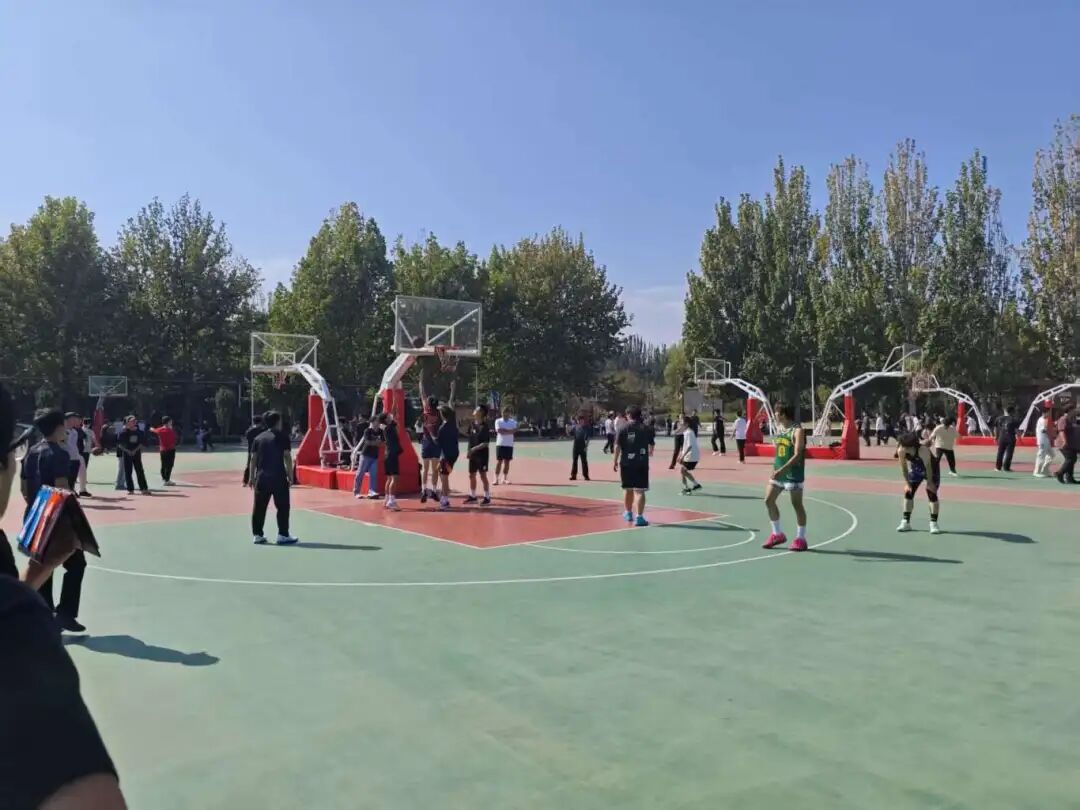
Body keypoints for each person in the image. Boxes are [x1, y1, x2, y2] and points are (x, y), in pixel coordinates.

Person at [22, 409, 92, 633]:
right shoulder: (59, 453)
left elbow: (24, 488)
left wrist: (36, 507)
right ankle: (65, 614)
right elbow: (62, 488)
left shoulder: (31, 451)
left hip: (36, 515)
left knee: (44, 566)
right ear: (58, 427)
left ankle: (45, 614)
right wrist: (74, 521)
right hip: (57, 518)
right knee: (76, 564)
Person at [762, 404, 808, 551]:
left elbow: (798, 454)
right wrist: (775, 468)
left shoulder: (797, 431)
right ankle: (777, 534)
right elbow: (779, 452)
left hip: (793, 473)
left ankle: (801, 538)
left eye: (776, 413)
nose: (774, 415)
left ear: (782, 414)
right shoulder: (780, 429)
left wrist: (782, 470)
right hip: (778, 473)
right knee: (768, 500)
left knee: (797, 505)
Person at [248, 411, 298, 545]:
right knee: (283, 507)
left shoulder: (258, 438)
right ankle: (283, 534)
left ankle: (257, 535)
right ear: (278, 422)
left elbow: (253, 459)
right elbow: (287, 457)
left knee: (259, 507)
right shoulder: (283, 437)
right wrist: (290, 475)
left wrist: (251, 477)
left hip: (262, 477)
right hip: (278, 477)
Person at [613, 406, 653, 526]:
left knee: (628, 488)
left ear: (629, 414)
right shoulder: (646, 428)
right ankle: (639, 517)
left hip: (626, 463)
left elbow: (617, 446)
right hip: (641, 462)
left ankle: (628, 513)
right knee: (639, 491)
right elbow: (651, 445)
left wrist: (615, 461)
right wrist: (648, 452)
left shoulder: (622, 428)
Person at [896, 431, 941, 534]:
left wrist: (930, 483)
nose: (902, 447)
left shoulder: (923, 450)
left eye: (905, 446)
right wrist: (907, 483)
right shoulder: (901, 450)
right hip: (916, 469)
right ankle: (906, 522)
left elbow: (928, 467)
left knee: (932, 493)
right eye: (902, 445)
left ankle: (933, 523)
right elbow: (904, 468)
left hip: (932, 469)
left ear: (912, 446)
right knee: (908, 493)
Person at [465, 404, 492, 505]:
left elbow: (485, 443)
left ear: (481, 413)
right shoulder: (472, 424)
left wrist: (473, 449)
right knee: (471, 475)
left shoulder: (485, 427)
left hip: (482, 455)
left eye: (476, 409)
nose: (474, 410)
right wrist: (469, 451)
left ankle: (487, 497)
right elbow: (469, 438)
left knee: (482, 475)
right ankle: (473, 496)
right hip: (473, 455)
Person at [116, 415, 150, 495]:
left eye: (135, 421)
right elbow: (120, 444)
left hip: (136, 453)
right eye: (132, 421)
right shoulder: (123, 432)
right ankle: (130, 489)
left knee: (140, 471)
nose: (134, 422)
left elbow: (141, 443)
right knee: (128, 471)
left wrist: (134, 450)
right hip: (127, 454)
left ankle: (144, 488)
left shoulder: (139, 432)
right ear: (127, 422)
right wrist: (127, 451)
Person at [436, 405, 460, 510]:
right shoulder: (453, 425)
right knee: (440, 471)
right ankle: (445, 491)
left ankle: (445, 500)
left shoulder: (442, 428)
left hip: (447, 455)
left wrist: (431, 436)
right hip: (454, 454)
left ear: (443, 415)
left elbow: (438, 443)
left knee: (444, 476)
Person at [353, 417, 383, 500]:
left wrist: (375, 443)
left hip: (374, 456)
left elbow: (383, 443)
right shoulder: (367, 431)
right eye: (376, 421)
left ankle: (372, 491)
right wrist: (377, 443)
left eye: (378, 421)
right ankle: (357, 492)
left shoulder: (381, 432)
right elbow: (367, 442)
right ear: (372, 422)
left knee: (373, 474)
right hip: (365, 455)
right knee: (360, 473)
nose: (378, 423)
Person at [381, 411, 402, 511]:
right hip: (392, 455)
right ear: (386, 419)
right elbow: (394, 416)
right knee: (394, 478)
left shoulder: (387, 428)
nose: (391, 416)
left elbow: (395, 417)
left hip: (387, 455)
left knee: (389, 479)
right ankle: (391, 501)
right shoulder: (389, 428)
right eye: (388, 416)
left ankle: (386, 500)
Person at [63, 412, 87, 498]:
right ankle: (68, 492)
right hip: (66, 457)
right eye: (73, 419)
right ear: (67, 420)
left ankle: (74, 489)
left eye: (76, 419)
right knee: (67, 477)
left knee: (73, 476)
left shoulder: (74, 431)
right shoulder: (62, 431)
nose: (76, 421)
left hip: (75, 457)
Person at [150, 416, 178, 486]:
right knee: (170, 465)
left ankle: (164, 478)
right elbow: (174, 439)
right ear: (168, 422)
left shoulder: (160, 430)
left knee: (163, 464)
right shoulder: (170, 430)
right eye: (170, 421)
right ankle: (167, 480)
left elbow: (153, 430)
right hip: (170, 450)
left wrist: (151, 428)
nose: (171, 422)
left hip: (162, 450)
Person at [493, 405, 517, 485]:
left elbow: (514, 430)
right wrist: (509, 431)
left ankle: (504, 478)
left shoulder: (513, 422)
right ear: (502, 413)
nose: (505, 414)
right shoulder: (498, 421)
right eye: (503, 412)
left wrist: (505, 430)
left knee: (507, 462)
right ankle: (496, 479)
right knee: (499, 461)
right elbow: (499, 431)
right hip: (500, 444)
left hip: (509, 444)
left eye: (507, 412)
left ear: (509, 413)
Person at [1055, 405, 1078, 484]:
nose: (1075, 411)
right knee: (1070, 459)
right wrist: (1064, 441)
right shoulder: (1063, 419)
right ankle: (1060, 473)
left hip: (1071, 443)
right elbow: (1061, 431)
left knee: (1072, 459)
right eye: (1074, 410)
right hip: (1064, 443)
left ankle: (1069, 478)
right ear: (1069, 410)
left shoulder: (1071, 419)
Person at [679, 417, 702, 495]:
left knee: (682, 471)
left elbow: (689, 446)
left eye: (682, 422)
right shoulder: (687, 432)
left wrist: (682, 456)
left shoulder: (688, 433)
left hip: (691, 456)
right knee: (683, 471)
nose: (680, 423)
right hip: (690, 455)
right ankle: (688, 488)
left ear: (686, 424)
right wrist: (681, 455)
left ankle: (695, 485)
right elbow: (685, 446)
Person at [1033, 407, 1057, 478]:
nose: (1049, 414)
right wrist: (1053, 430)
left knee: (1052, 455)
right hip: (1042, 441)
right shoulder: (1042, 420)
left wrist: (1052, 425)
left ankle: (1045, 470)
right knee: (1041, 456)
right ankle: (1036, 472)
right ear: (1044, 413)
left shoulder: (1046, 420)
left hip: (1046, 440)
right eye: (1048, 412)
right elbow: (1044, 430)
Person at [995, 405, 1020, 472]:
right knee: (1009, 453)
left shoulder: (998, 418)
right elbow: (1016, 430)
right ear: (1012, 412)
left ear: (1006, 411)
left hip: (1001, 437)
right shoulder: (1014, 420)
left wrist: (996, 437)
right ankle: (1006, 468)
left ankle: (998, 467)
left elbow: (996, 429)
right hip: (1010, 438)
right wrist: (1019, 437)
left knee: (1000, 452)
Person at [241, 414, 264, 486]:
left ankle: (245, 481)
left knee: (248, 465)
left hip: (250, 450)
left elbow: (247, 437)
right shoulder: (263, 430)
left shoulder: (249, 431)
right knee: (260, 465)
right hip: (260, 450)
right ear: (261, 422)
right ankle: (259, 480)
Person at [570, 414, 591, 481]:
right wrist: (567, 429)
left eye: (582, 420)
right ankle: (573, 475)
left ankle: (586, 476)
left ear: (583, 421)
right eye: (579, 420)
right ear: (578, 421)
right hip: (576, 446)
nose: (580, 421)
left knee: (584, 461)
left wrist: (586, 446)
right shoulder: (575, 427)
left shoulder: (586, 428)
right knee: (574, 461)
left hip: (583, 446)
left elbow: (588, 438)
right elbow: (570, 434)